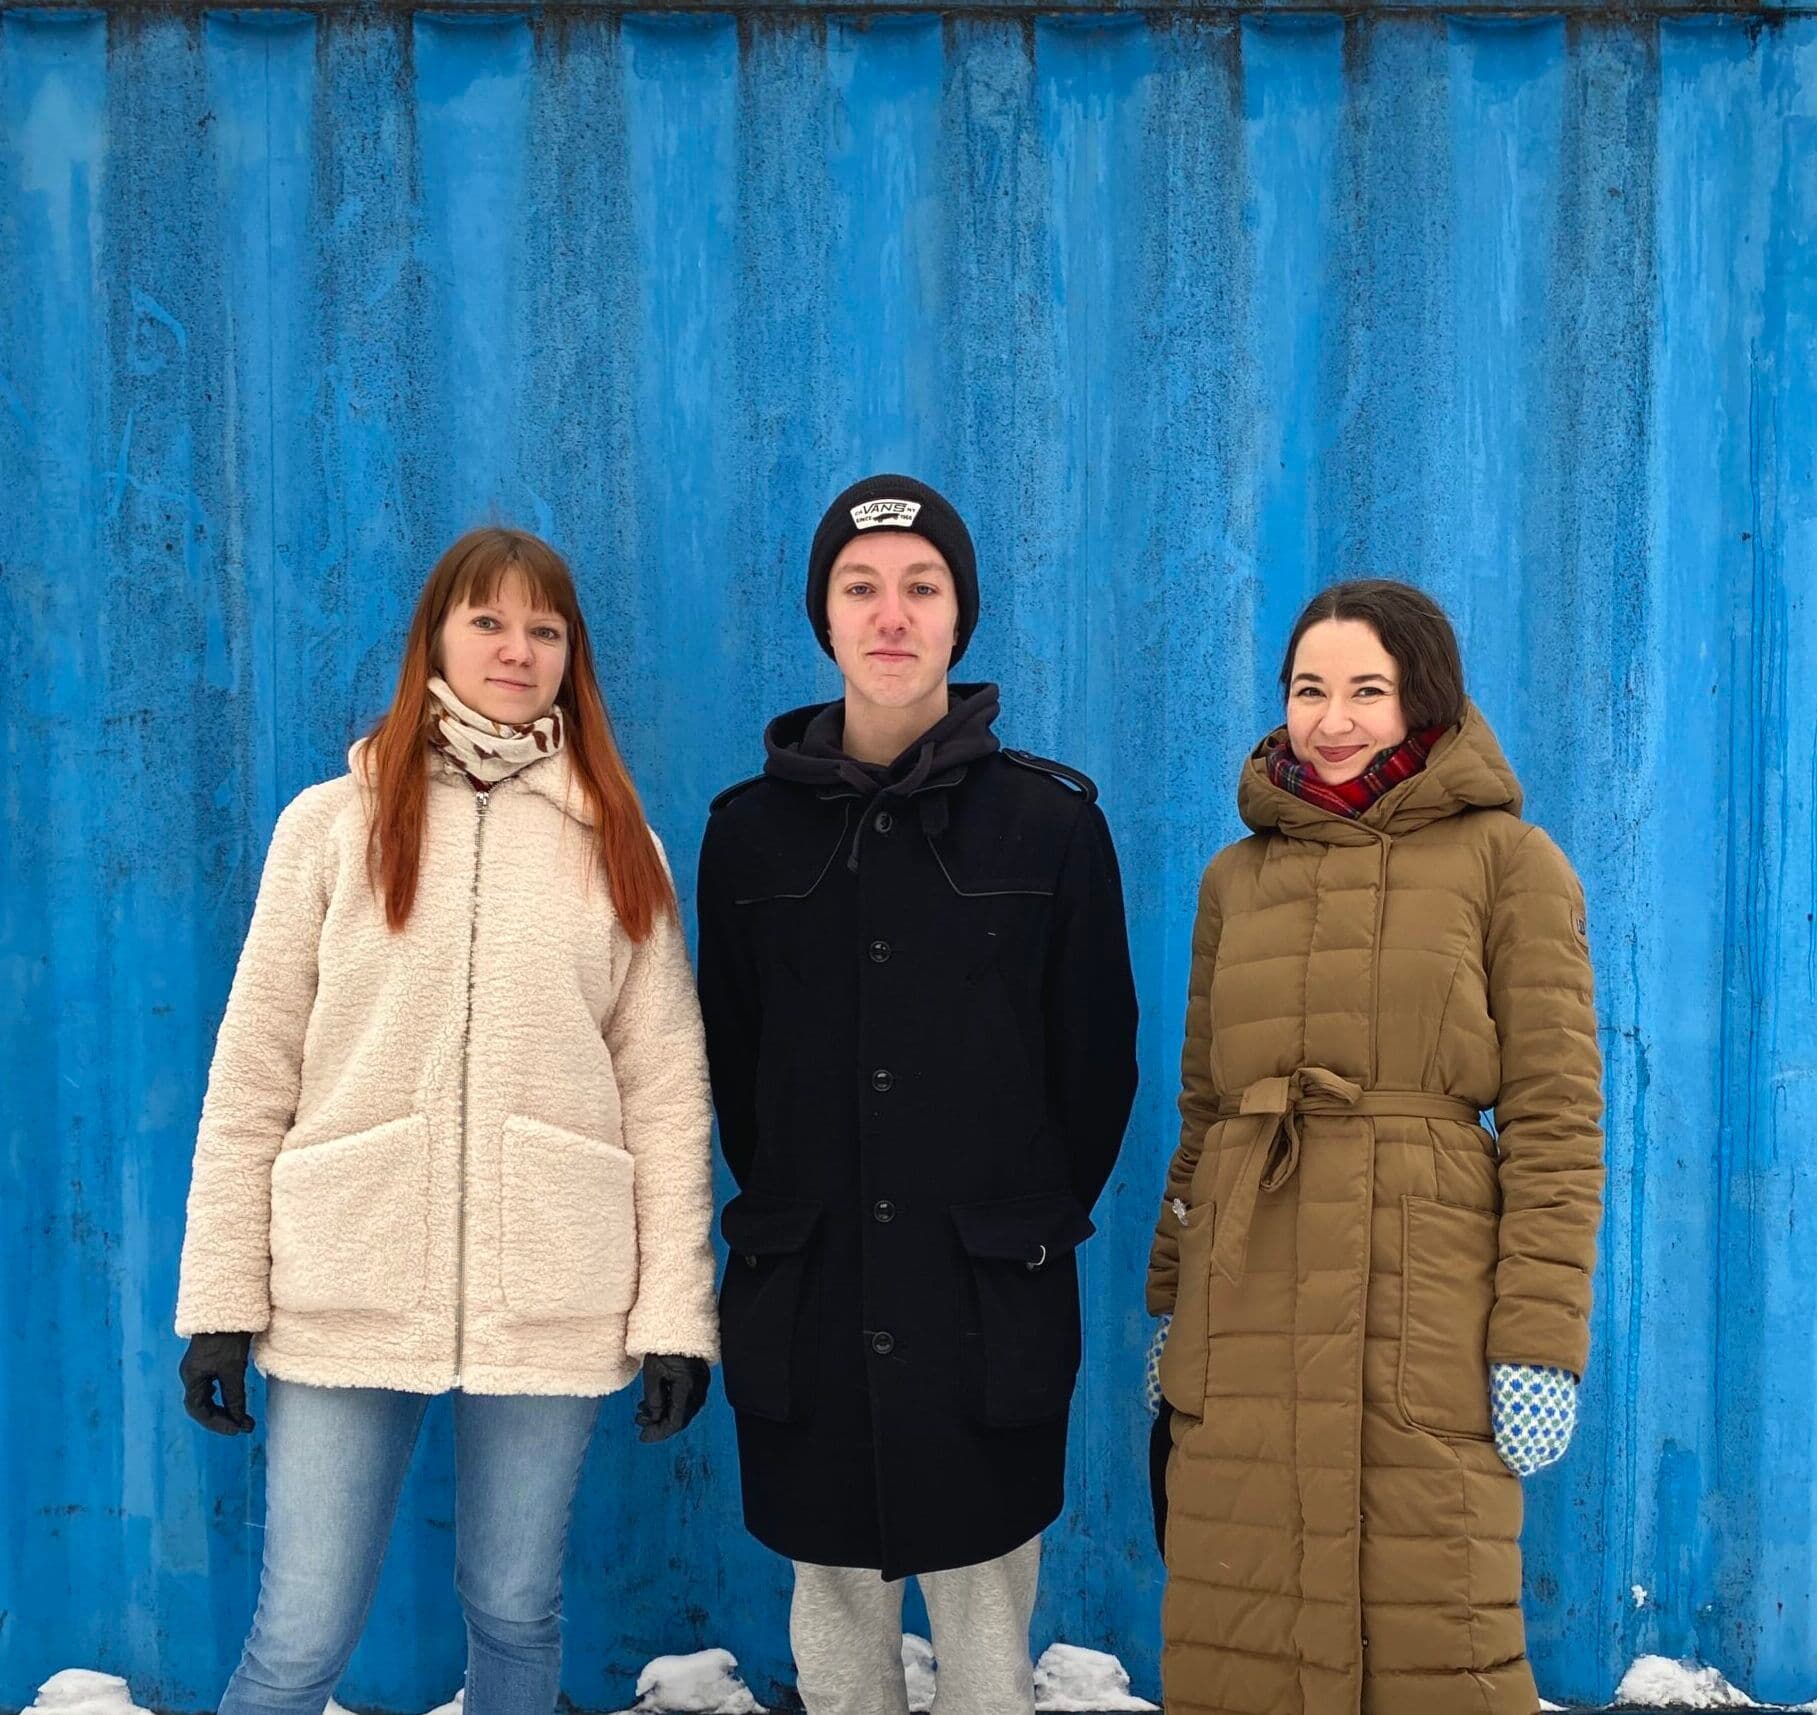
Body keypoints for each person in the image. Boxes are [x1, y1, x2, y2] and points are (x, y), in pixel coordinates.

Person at [174, 526, 719, 1715]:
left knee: (516, 1610)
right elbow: (253, 1071)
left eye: (543, 628)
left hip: (553, 1286)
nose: (516, 649)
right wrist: (221, 1299)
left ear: (570, 656)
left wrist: (675, 1312)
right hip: (346, 1281)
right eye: (488, 621)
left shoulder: (619, 844)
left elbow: (665, 1091)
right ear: (434, 638)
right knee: (297, 1636)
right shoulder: (331, 825)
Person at [695, 474, 1139, 1715]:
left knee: (987, 1633)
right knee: (835, 1622)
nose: (890, 616)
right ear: (824, 617)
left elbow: (1094, 1064)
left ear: (958, 615)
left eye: (920, 586)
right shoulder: (745, 835)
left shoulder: (1049, 824)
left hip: (981, 1297)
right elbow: (734, 1062)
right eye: (860, 587)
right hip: (812, 1292)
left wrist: (1015, 1218)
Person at [1146, 579, 1604, 1715]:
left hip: (1424, 1308)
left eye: (1366, 689)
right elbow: (1202, 1112)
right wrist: (1170, 1305)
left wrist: (1537, 1343)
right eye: (1308, 689)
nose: (1332, 719)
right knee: (1240, 1631)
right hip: (1244, 1304)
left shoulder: (1509, 862)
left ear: (1422, 701)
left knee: (1431, 1630)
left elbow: (1555, 1120)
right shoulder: (1232, 879)